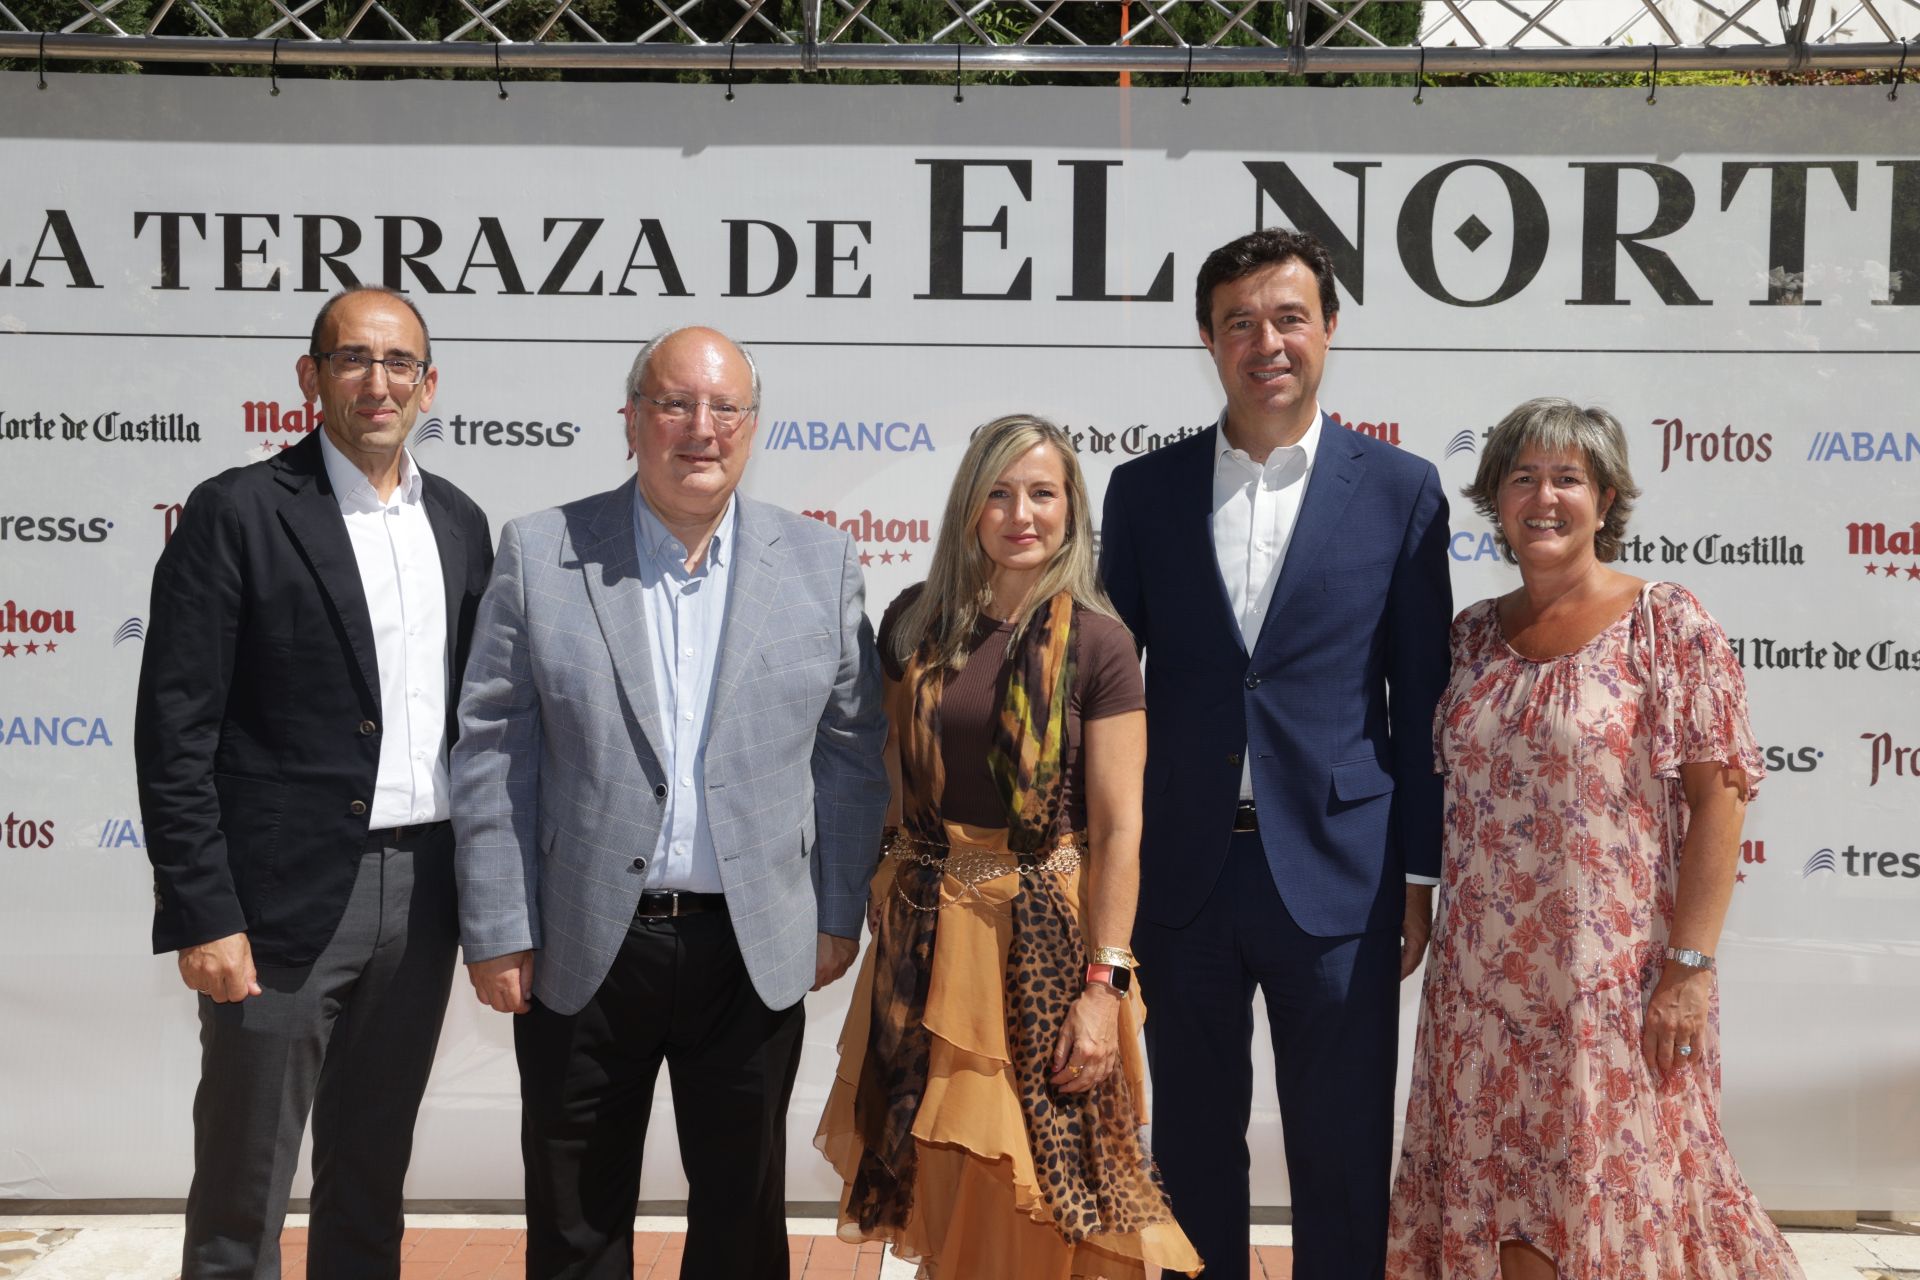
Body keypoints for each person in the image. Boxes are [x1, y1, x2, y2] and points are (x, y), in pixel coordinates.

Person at [452, 325, 890, 1280]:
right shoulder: (541, 550)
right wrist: (498, 925)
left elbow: (854, 753)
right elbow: (492, 750)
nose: (702, 427)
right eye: (676, 403)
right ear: (632, 419)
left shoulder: (820, 561)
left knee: (741, 1227)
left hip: (752, 948)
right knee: (574, 1227)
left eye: (724, 407)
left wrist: (835, 911)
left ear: (753, 425)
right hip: (580, 945)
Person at [1097, 227, 1453, 1280]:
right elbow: (1109, 695)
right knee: (1190, 1145)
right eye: (1240, 322)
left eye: (1290, 317)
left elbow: (1419, 699)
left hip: (1343, 874)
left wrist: (1420, 874)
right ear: (1208, 340)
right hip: (1182, 871)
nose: (1268, 343)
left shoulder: (1402, 490)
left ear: (1330, 328)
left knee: (1341, 1151)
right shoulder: (1144, 491)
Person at [1385, 398, 1803, 1280]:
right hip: (1481, 994)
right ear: (1496, 499)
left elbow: (1721, 801)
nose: (1544, 498)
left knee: (1618, 1198)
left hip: (1611, 988)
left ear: (1605, 499)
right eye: (1522, 478)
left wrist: (1688, 970)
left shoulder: (1666, 623)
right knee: (1499, 1206)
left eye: (1567, 479)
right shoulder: (1471, 635)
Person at [134, 286, 493, 1278]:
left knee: (370, 1181)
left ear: (429, 385)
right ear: (312, 376)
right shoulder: (238, 512)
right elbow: (176, 730)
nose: (378, 382)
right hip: (276, 904)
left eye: (399, 362)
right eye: (353, 358)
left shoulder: (460, 523)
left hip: (423, 896)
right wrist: (205, 909)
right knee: (242, 1196)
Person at [817, 414, 1201, 1279]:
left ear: (1071, 509)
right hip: (926, 948)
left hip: (1048, 953)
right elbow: (887, 772)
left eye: (1041, 493)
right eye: (998, 493)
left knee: (1052, 1195)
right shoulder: (914, 622)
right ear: (968, 507)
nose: (1020, 514)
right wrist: (879, 888)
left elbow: (1120, 829)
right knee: (946, 1188)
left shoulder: (1100, 643)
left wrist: (1103, 989)